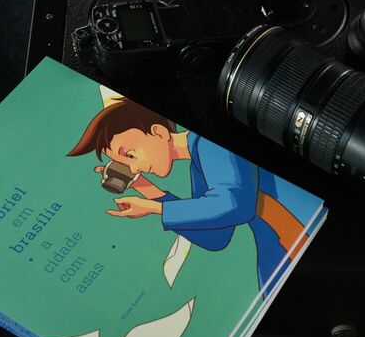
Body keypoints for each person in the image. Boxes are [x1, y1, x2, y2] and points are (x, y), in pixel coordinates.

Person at [67, 97, 311, 296]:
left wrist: (157, 209)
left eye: (130, 155)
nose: (134, 167)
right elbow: (216, 237)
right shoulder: (198, 163)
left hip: (300, 239)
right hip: (280, 258)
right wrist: (146, 189)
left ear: (159, 132)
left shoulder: (209, 145)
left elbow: (235, 205)